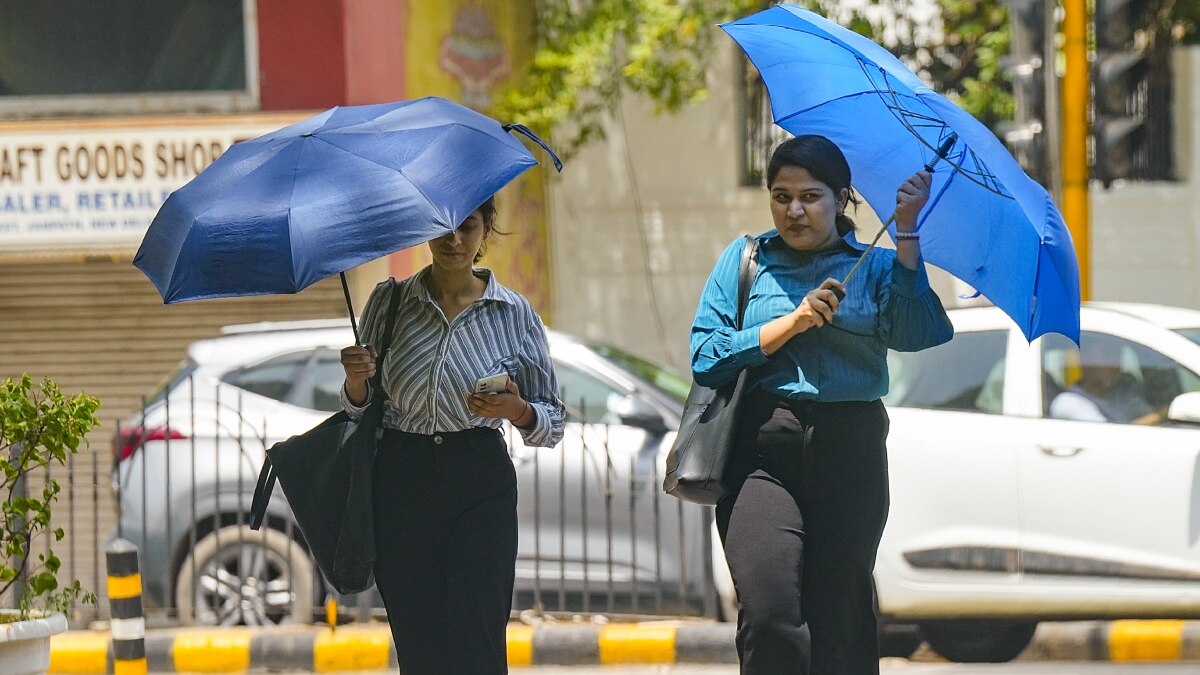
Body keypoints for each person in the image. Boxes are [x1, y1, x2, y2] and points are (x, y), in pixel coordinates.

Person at [690, 135, 954, 674]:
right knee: (769, 615)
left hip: (849, 448)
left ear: (841, 198)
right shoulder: (746, 261)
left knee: (841, 616)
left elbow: (920, 332)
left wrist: (907, 231)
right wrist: (789, 323)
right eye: (781, 196)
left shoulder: (876, 268)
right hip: (762, 451)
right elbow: (706, 356)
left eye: (810, 196)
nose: (794, 210)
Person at [339, 196, 564, 674]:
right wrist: (356, 383)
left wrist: (518, 409)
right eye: (441, 226)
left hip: (479, 480)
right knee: (419, 647)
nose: (453, 239)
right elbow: (360, 413)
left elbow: (554, 420)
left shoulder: (513, 313)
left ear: (486, 228)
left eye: (467, 225)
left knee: (477, 645)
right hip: (401, 481)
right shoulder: (390, 300)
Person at [1049, 337, 1164, 424]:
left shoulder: (1120, 395)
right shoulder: (1068, 403)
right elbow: (1108, 439)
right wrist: (1161, 415)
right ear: (1086, 357)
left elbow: (1146, 414)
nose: (1116, 362)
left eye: (1118, 354)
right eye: (1108, 354)